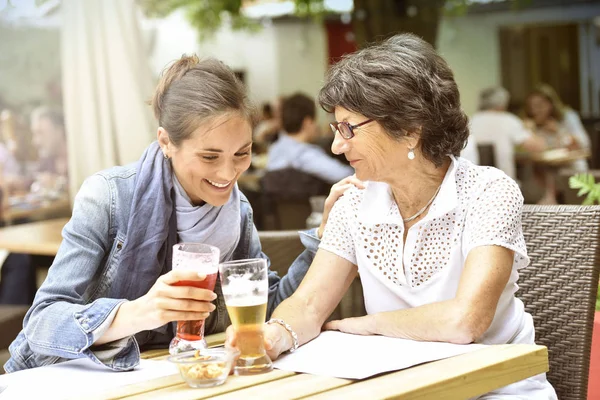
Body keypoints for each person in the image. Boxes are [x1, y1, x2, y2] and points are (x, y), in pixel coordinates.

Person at [227, 34, 557, 398]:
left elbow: (465, 321)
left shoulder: (488, 192)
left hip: (495, 387)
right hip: (403, 389)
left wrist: (365, 325)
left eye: (349, 128)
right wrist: (273, 335)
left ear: (410, 129)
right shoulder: (354, 202)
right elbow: (307, 305)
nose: (337, 145)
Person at [3, 55, 353, 373]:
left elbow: (272, 306)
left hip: (159, 376)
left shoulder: (236, 210)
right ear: (166, 142)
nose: (228, 173)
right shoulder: (108, 197)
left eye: (242, 153)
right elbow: (41, 323)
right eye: (210, 157)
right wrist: (141, 311)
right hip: (56, 378)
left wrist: (323, 238)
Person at [267, 93, 354, 184]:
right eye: (315, 121)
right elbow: (344, 174)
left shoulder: (274, 148)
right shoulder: (304, 154)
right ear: (307, 122)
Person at [524, 84, 589, 203]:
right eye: (531, 106)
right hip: (544, 169)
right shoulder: (531, 124)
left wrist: (559, 131)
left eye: (539, 105)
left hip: (570, 165)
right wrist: (529, 132)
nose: (535, 110)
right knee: (536, 172)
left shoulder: (567, 116)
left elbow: (584, 144)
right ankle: (548, 203)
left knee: (562, 171)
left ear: (550, 104)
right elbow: (532, 149)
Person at [471, 87, 545, 179]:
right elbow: (537, 147)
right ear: (502, 104)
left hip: (475, 185)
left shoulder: (471, 121)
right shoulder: (508, 119)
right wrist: (530, 128)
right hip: (504, 184)